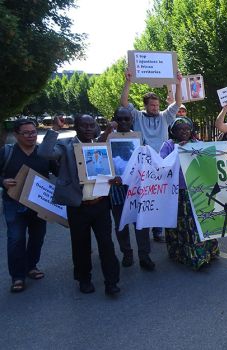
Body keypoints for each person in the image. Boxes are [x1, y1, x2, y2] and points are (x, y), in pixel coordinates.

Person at [38, 115, 121, 295]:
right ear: (76, 127)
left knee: (106, 244)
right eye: (84, 125)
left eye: (91, 125)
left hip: (100, 205)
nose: (88, 128)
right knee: (81, 245)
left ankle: (112, 282)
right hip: (78, 206)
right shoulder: (66, 145)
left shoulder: (102, 146)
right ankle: (84, 279)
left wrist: (114, 179)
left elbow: (111, 170)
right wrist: (54, 130)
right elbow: (44, 153)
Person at [120, 69, 183, 243]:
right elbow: (124, 102)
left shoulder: (164, 117)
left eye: (157, 105)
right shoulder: (137, 116)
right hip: (143, 166)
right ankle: (144, 228)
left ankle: (157, 230)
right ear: (145, 105)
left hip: (161, 165)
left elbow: (178, 102)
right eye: (152, 105)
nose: (155, 108)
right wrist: (128, 81)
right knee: (145, 197)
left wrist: (178, 83)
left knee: (159, 196)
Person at [0, 119, 57, 293]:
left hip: (38, 204)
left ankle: (31, 266)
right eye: (26, 133)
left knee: (37, 236)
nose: (31, 136)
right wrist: (3, 181)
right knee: (16, 239)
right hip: (14, 204)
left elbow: (58, 171)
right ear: (16, 135)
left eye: (33, 132)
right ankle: (17, 276)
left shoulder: (43, 152)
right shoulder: (6, 152)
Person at [99, 108, 155, 270]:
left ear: (132, 120)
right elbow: (96, 149)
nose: (123, 122)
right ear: (114, 119)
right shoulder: (107, 136)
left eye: (126, 119)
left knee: (141, 223)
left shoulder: (138, 137)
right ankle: (127, 253)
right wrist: (108, 130)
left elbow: (146, 159)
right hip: (116, 187)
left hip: (137, 186)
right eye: (120, 119)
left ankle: (144, 255)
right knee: (121, 223)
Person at [161, 117, 219, 269]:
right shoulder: (168, 145)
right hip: (177, 193)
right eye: (180, 129)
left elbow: (209, 161)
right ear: (173, 131)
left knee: (199, 223)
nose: (184, 132)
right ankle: (182, 254)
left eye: (187, 129)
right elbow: (162, 165)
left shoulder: (197, 144)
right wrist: (177, 150)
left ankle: (204, 253)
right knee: (182, 225)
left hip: (197, 191)